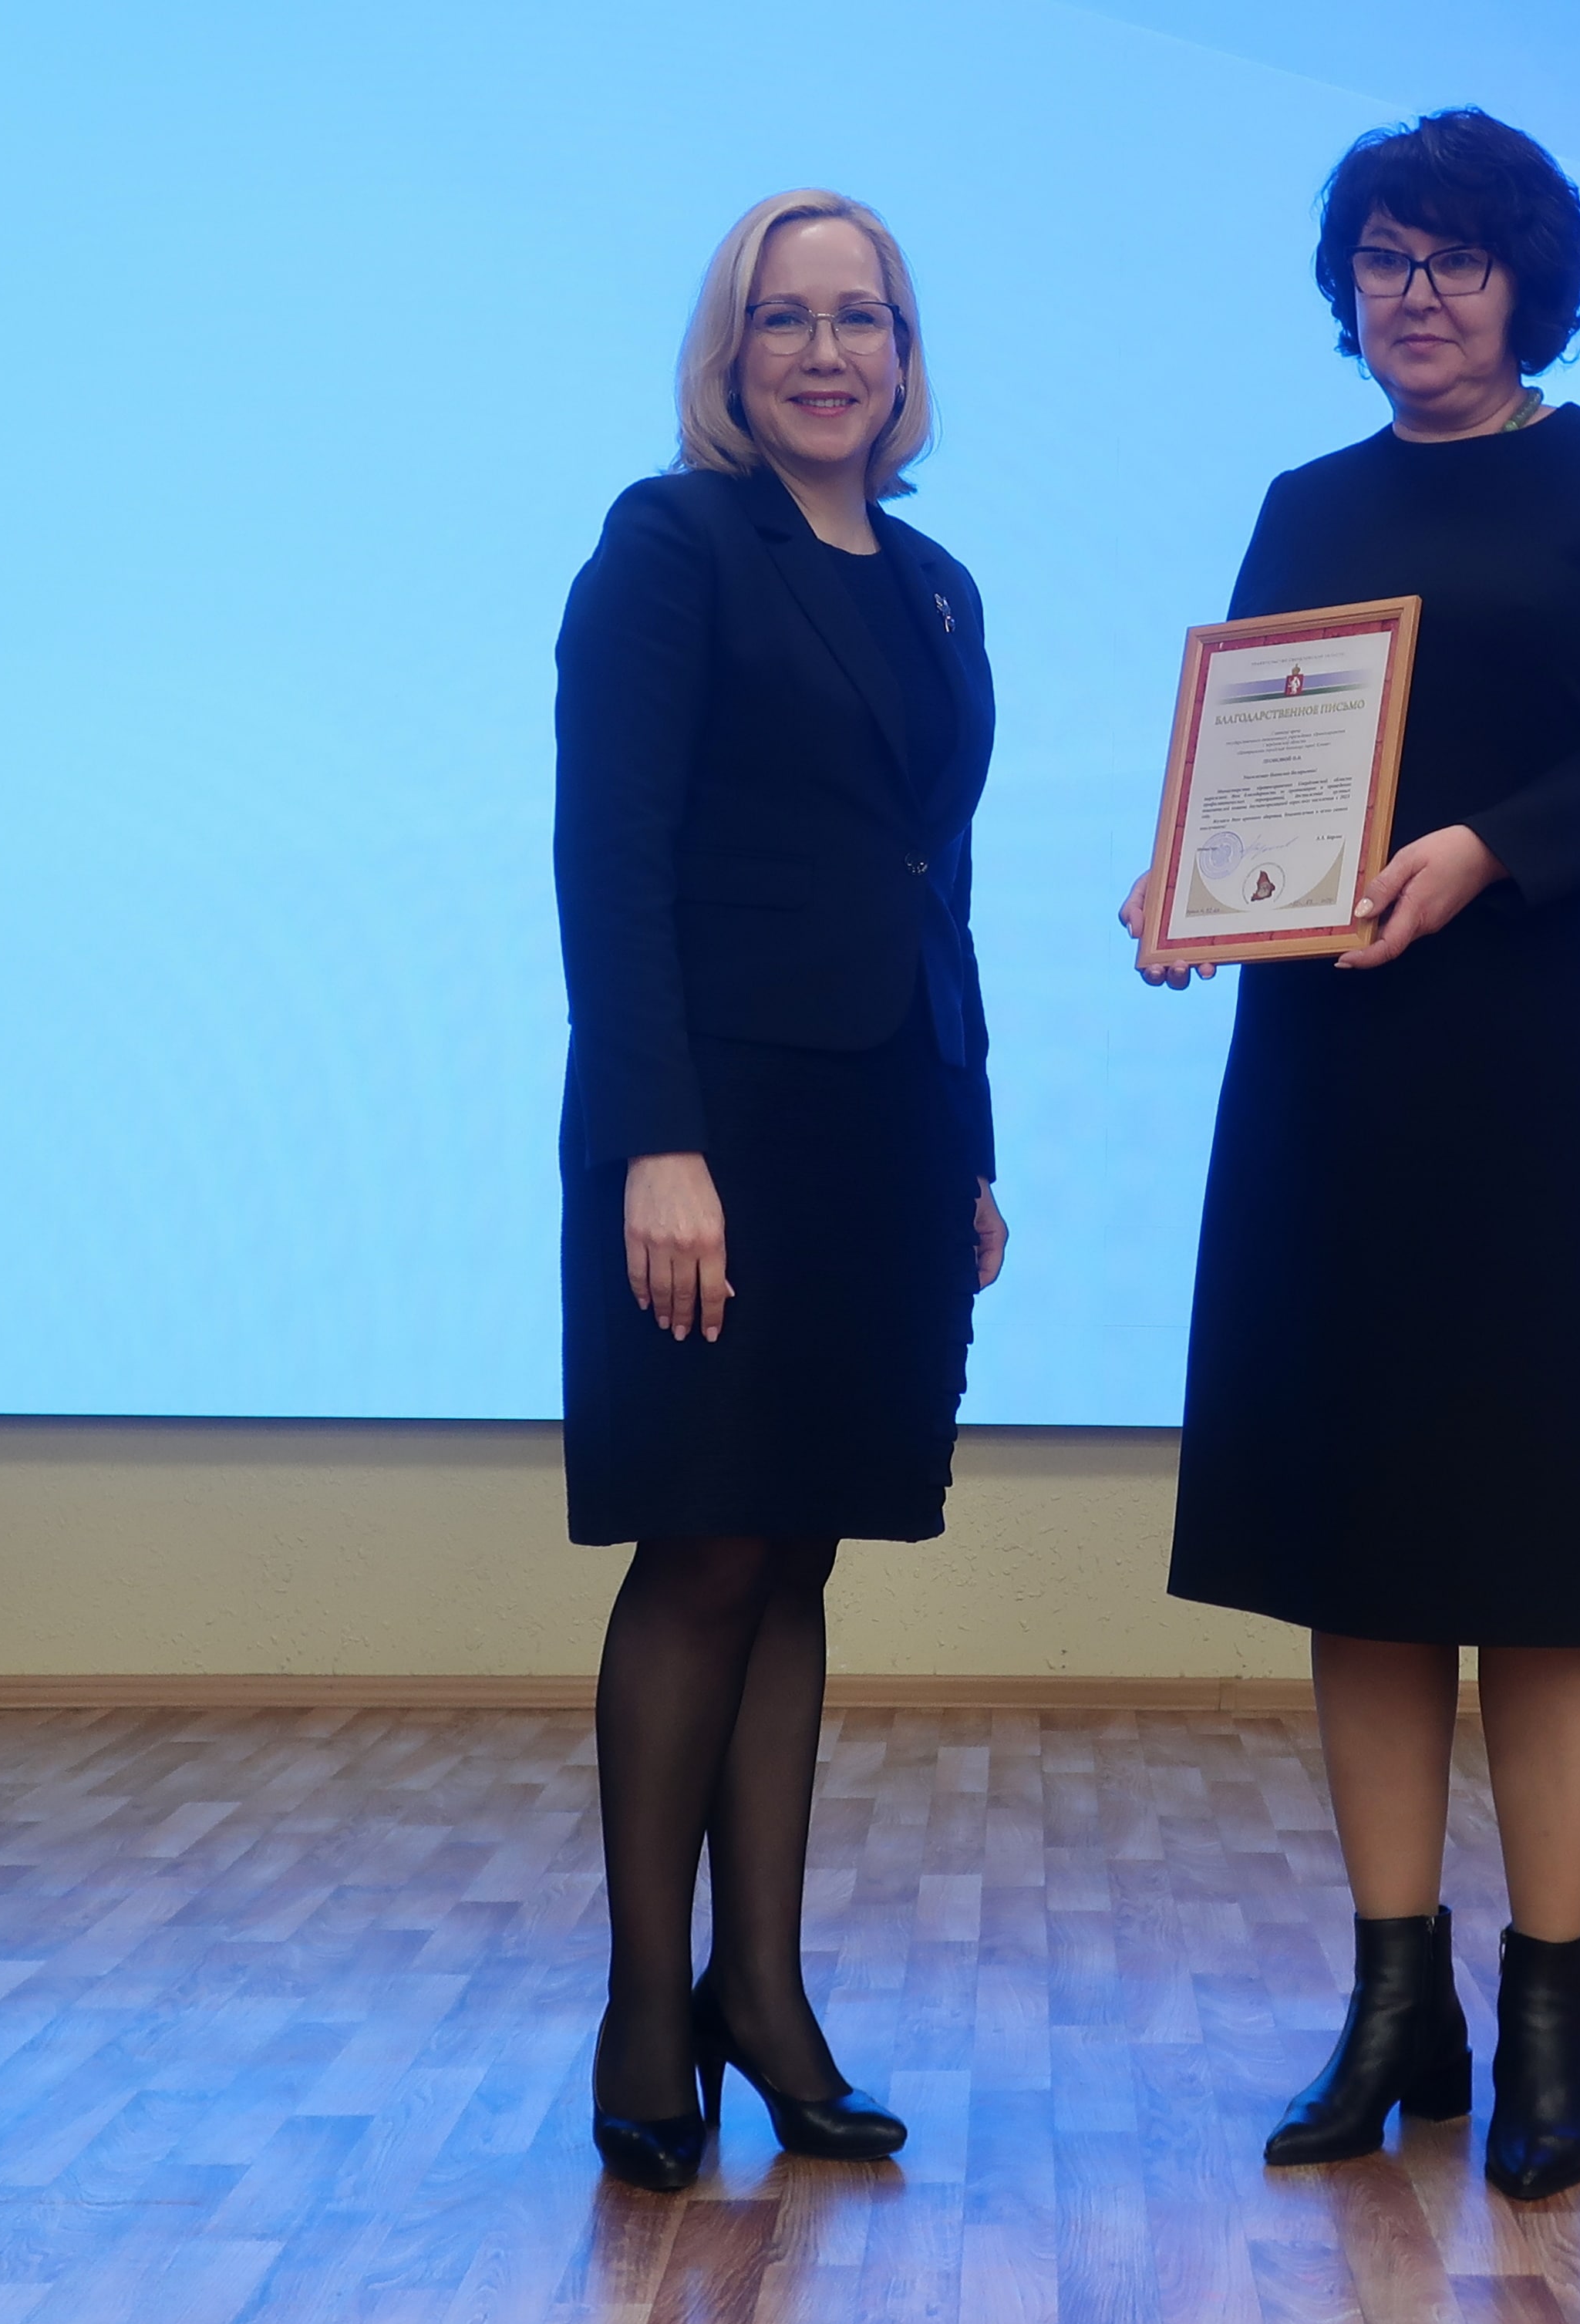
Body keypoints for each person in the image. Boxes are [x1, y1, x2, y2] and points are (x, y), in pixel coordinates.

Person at [1120, 110, 1580, 2201]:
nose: (1418, 294)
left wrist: (1496, 846)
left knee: (1553, 1554)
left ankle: (1547, 2019)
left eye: (1460, 260)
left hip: (1574, 1077)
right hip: (1339, 1074)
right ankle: (1393, 2001)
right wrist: (1184, 882)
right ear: (1348, 289)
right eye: (1386, 259)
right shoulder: (1307, 503)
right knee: (1363, 1544)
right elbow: (1261, 766)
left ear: (1531, 287)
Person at [558, 189, 1004, 2193]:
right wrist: (656, 1141)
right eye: (787, 318)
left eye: (864, 317)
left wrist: (969, 1143)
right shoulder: (672, 545)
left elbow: (934, 879)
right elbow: (609, 857)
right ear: (729, 354)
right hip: (714, 1131)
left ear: (906, 356)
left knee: (800, 1550)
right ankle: (648, 2014)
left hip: (886, 1129)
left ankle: (765, 1993)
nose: (829, 352)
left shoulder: (937, 586)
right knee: (707, 1550)